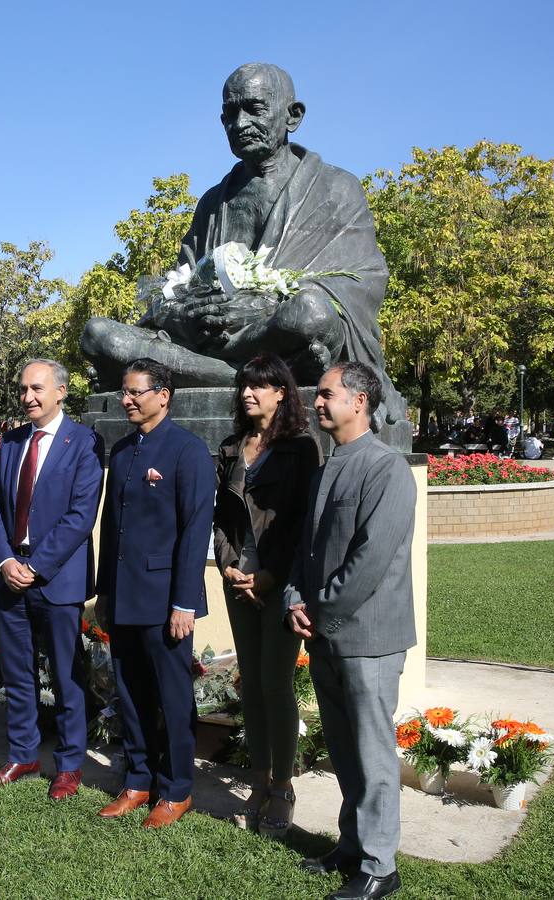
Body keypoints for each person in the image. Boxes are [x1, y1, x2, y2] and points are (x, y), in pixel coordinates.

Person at [80, 64, 406, 430]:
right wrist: (185, 313)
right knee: (97, 333)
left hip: (277, 332)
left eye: (254, 109)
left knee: (311, 311)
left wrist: (257, 309)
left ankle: (228, 375)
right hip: (209, 343)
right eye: (229, 115)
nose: (240, 123)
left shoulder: (336, 189)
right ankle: (251, 378)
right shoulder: (212, 203)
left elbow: (362, 282)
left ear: (292, 116)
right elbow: (173, 292)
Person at [286, 362, 415, 900]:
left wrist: (322, 613)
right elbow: (307, 549)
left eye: (326, 394)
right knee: (342, 749)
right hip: (327, 632)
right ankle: (353, 844)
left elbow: (369, 561)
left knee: (372, 753)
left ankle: (381, 866)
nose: (317, 403)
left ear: (359, 401)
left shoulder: (386, 470)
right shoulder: (328, 466)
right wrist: (295, 597)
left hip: (367, 638)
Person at [95, 358, 216, 829]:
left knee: (172, 696)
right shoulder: (123, 451)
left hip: (166, 601)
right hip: (124, 597)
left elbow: (194, 531)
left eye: (135, 392)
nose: (126, 399)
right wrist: (105, 594)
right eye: (124, 392)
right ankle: (138, 779)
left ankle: (177, 789)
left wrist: (184, 602)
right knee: (131, 694)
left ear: (163, 395)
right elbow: (113, 532)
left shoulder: (188, 451)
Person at [0, 360, 104, 800]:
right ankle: (23, 754)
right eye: (23, 389)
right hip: (11, 575)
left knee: (67, 676)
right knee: (17, 673)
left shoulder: (84, 442)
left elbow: (80, 515)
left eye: (37, 388)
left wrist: (36, 567)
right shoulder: (12, 441)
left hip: (56, 579)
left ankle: (69, 765)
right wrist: (7, 561)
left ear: (61, 392)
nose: (28, 396)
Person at [212, 354, 321, 837]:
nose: (247, 394)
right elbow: (220, 518)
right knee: (251, 685)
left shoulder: (301, 448)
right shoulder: (233, 446)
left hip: (280, 585)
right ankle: (258, 779)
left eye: (259, 386)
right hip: (239, 581)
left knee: (275, 685)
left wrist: (272, 576)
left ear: (282, 392)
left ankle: (283, 787)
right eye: (244, 386)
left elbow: (303, 522)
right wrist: (229, 564)